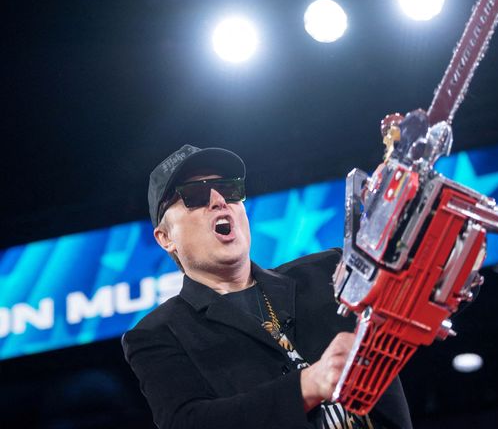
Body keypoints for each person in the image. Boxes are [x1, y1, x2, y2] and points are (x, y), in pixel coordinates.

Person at [122, 144, 412, 429]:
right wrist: (307, 386)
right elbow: (190, 422)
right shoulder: (157, 335)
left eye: (229, 189)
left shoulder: (328, 269)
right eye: (195, 196)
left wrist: (412, 219)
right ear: (165, 238)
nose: (219, 200)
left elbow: (426, 298)